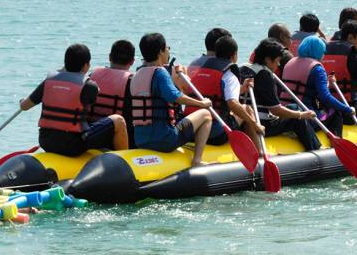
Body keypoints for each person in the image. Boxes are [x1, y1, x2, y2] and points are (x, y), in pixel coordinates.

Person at [20, 43, 129, 157]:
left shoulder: (48, 81)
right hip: (74, 145)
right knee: (118, 120)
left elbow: (24, 106)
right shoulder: (89, 86)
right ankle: (124, 161)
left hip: (46, 141)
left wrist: (22, 101)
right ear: (86, 65)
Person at [129, 33, 213, 167]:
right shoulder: (160, 72)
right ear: (161, 51)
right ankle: (197, 160)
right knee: (206, 115)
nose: (168, 50)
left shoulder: (136, 74)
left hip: (140, 140)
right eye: (167, 47)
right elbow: (175, 97)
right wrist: (202, 103)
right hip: (165, 140)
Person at [184, 35, 265, 150]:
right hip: (215, 134)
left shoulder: (201, 70)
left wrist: (241, 89)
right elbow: (232, 103)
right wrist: (255, 124)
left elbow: (213, 94)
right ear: (234, 56)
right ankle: (260, 152)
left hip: (191, 129)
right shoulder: (229, 75)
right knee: (246, 108)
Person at [243, 38, 321, 151]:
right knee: (296, 115)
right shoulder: (265, 75)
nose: (279, 64)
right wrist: (301, 115)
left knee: (293, 107)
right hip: (262, 125)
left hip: (245, 123)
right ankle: (315, 148)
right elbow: (276, 110)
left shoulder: (243, 68)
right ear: (268, 59)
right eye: (277, 61)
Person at [280, 36, 351, 139]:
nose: (324, 55)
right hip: (306, 117)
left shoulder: (289, 63)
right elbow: (325, 97)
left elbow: (304, 85)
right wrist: (347, 109)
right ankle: (335, 142)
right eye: (323, 52)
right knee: (335, 112)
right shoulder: (317, 68)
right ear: (318, 51)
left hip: (285, 115)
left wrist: (328, 84)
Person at [88, 39, 136, 142]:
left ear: (110, 57)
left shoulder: (92, 75)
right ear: (132, 61)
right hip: (118, 139)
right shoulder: (132, 82)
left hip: (91, 133)